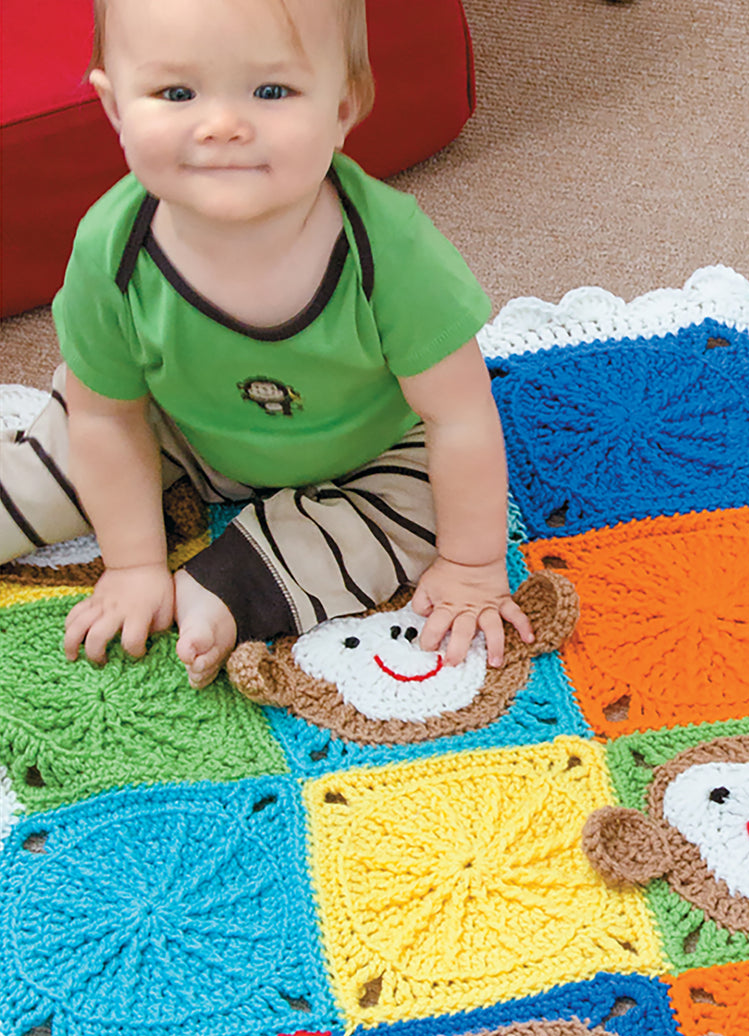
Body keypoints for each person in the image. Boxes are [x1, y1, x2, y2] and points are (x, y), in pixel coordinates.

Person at [0, 0, 532, 688]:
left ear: (343, 108)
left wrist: (472, 567)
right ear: (115, 108)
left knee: (439, 505)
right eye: (176, 93)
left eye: (272, 91)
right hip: (168, 425)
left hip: (368, 447)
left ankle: (234, 585)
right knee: (60, 451)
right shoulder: (112, 248)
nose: (223, 125)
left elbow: (458, 416)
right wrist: (131, 563)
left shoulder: (389, 250)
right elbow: (106, 417)